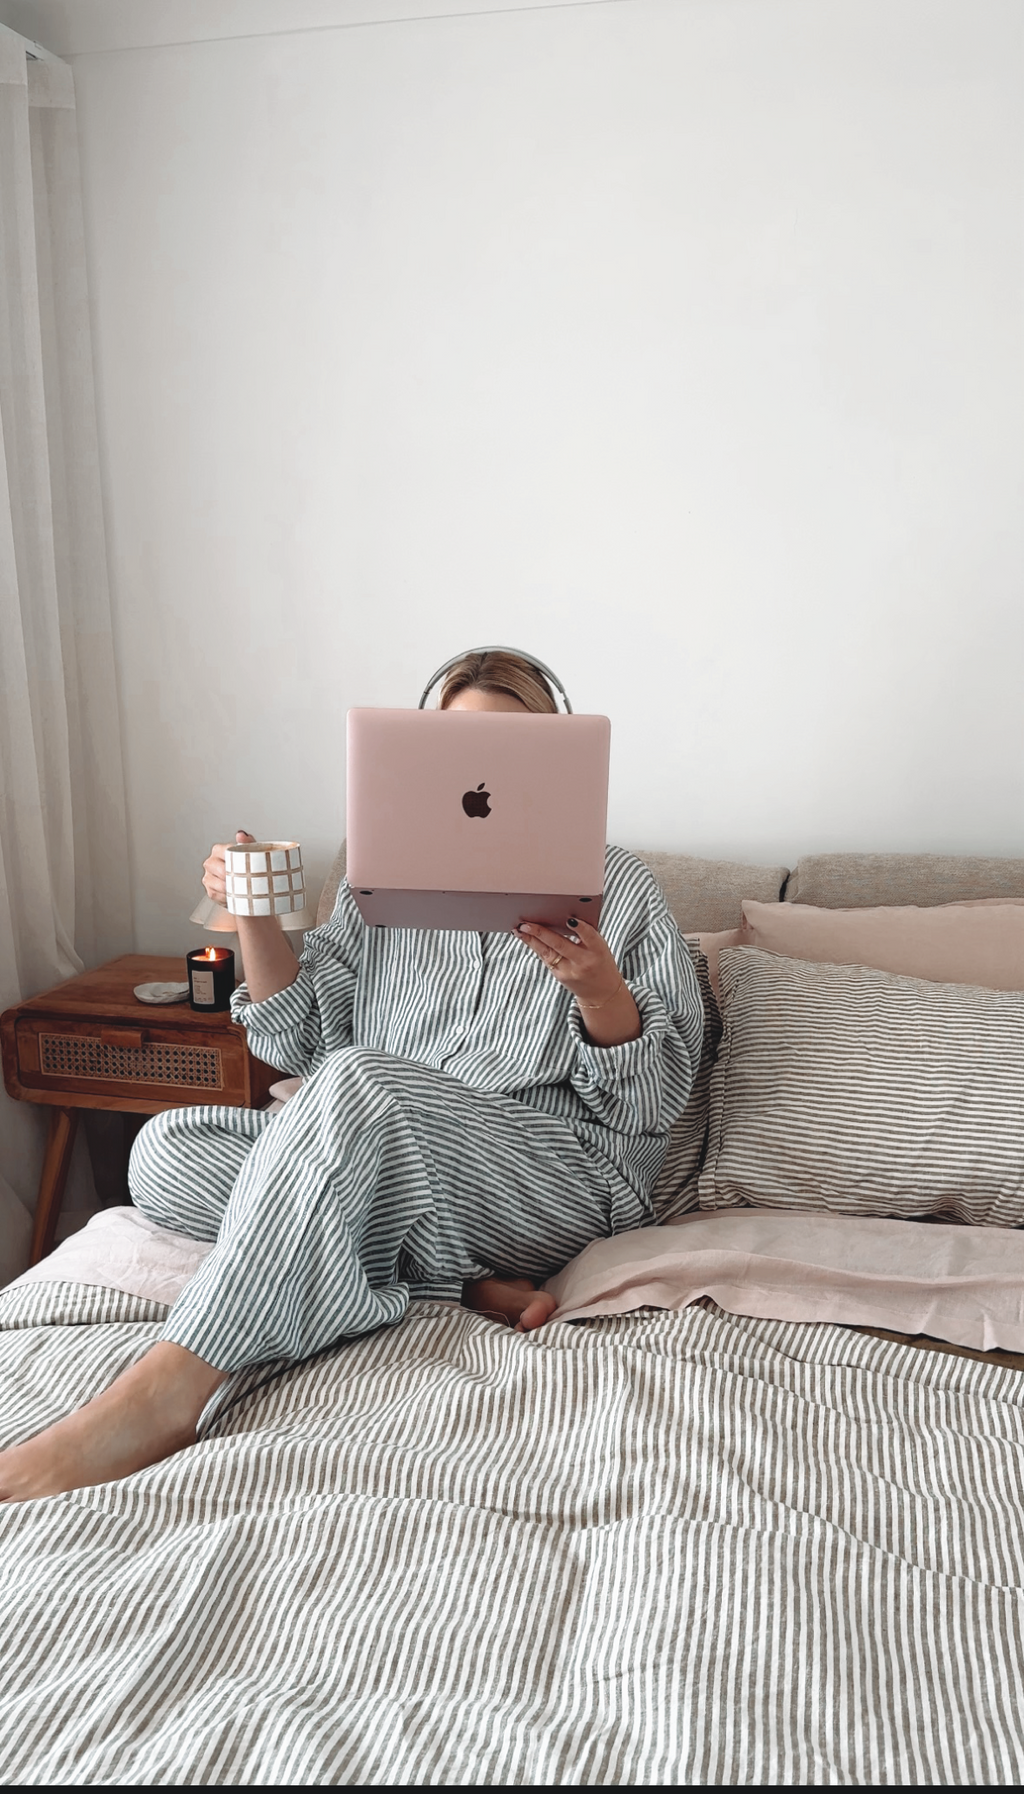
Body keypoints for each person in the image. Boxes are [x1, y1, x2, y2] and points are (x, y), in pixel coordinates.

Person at [0, 650, 703, 1503]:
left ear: (557, 759)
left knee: (363, 1080)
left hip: (553, 1172)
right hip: (394, 1159)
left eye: (511, 752)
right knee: (164, 1152)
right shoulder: (383, 880)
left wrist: (599, 993)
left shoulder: (618, 886)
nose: (481, 782)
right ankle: (450, 1277)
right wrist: (253, 916)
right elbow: (299, 1041)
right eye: (457, 752)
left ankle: (171, 1386)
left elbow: (653, 1102)